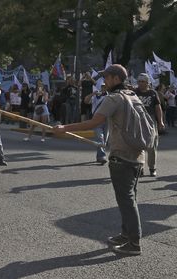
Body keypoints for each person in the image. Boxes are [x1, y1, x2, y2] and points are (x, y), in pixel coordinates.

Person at [54, 64, 146, 255]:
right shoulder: (132, 95)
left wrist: (65, 128)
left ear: (116, 79)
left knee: (126, 199)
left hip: (121, 155)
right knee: (129, 197)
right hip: (137, 154)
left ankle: (134, 243)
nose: (104, 80)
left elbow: (95, 122)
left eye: (107, 77)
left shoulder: (113, 98)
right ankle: (126, 234)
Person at [134, 73, 165, 177]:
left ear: (147, 83)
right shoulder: (134, 92)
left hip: (151, 121)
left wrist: (160, 121)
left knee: (152, 146)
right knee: (139, 146)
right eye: (139, 81)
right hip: (137, 121)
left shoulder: (153, 93)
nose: (140, 83)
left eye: (143, 81)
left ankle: (152, 168)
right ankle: (140, 167)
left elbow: (158, 108)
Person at [84, 83, 109, 164]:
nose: (104, 88)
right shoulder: (95, 96)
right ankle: (102, 156)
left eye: (105, 86)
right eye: (102, 86)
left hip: (107, 120)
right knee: (100, 138)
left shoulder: (110, 96)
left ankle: (99, 156)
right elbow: (86, 101)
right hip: (97, 119)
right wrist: (93, 93)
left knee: (105, 140)